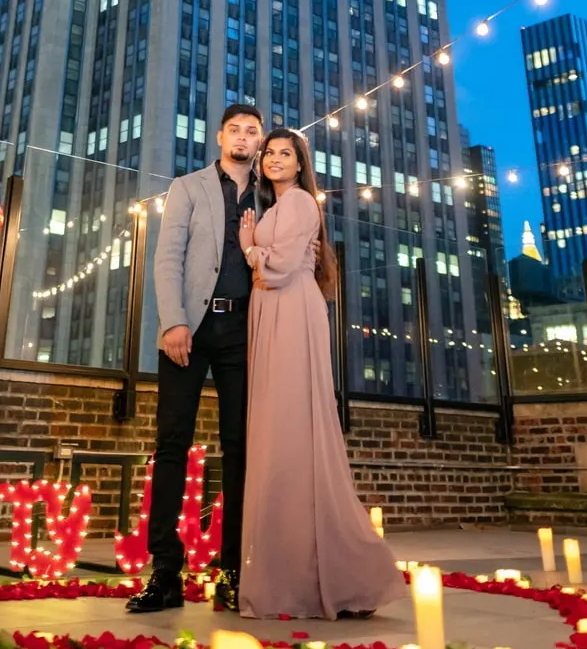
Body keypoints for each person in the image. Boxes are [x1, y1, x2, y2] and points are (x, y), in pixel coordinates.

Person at [237, 128, 402, 620]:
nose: (274, 159)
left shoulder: (302, 202)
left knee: (292, 429)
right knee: (275, 433)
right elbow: (279, 264)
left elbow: (283, 267)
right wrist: (263, 259)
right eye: (270, 153)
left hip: (290, 310)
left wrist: (251, 249)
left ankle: (329, 575)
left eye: (285, 153)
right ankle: (290, 571)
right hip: (272, 310)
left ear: (301, 162)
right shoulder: (275, 208)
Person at [125, 102, 264, 615]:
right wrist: (172, 321)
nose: (244, 138)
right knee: (171, 443)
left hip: (245, 332)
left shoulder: (273, 195)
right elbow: (168, 258)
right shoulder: (188, 186)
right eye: (236, 130)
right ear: (220, 137)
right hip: (191, 326)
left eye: (253, 132)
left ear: (261, 141)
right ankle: (165, 572)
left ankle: (231, 571)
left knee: (240, 448)